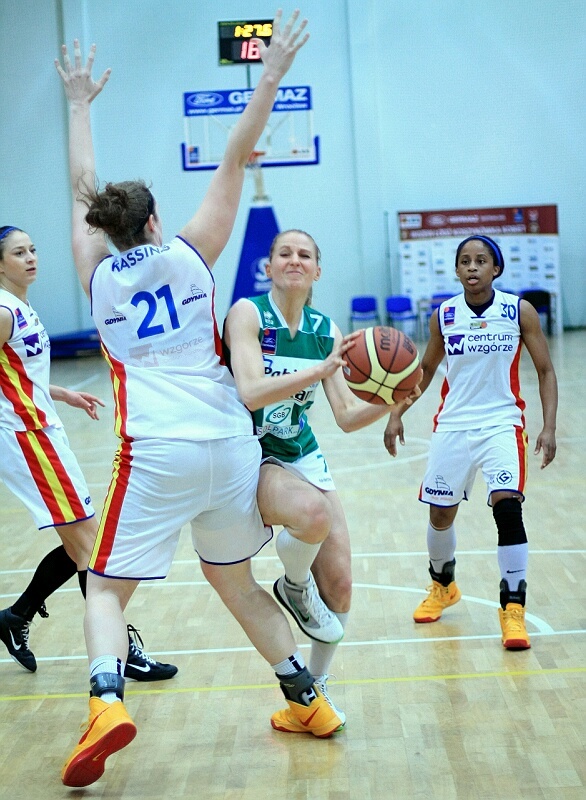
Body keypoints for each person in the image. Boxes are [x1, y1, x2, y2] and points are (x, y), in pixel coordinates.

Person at [55, 13, 344, 789]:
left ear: (107, 230)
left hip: (156, 451)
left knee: (107, 588)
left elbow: (81, 193)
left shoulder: (95, 276)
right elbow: (236, 153)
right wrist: (271, 72)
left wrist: (79, 106)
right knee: (234, 580)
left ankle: (105, 702)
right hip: (229, 449)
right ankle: (307, 698)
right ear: (155, 221)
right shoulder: (192, 253)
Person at [224, 229, 418, 724]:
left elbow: (347, 416)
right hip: (250, 450)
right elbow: (250, 391)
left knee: (341, 584)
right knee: (312, 514)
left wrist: (392, 400)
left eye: (304, 254)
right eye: (284, 253)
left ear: (317, 270)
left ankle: (313, 691)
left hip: (301, 449)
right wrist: (318, 370)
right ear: (268, 266)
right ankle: (293, 585)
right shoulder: (248, 314)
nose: (294, 260)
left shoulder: (326, 330)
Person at [0, 225, 178, 682]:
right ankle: (123, 651)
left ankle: (16, 617)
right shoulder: (1, 311)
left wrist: (60, 393)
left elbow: (18, 373)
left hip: (43, 429)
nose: (31, 257)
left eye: (33, 248)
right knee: (92, 547)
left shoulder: (19, 306)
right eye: (19, 253)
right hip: (27, 437)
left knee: (81, 542)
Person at [384, 235, 558, 649]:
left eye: (481, 260)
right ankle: (443, 585)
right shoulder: (444, 316)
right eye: (465, 261)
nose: (473, 267)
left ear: (496, 269)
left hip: (502, 423)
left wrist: (549, 427)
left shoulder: (518, 311)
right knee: (440, 514)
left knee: (508, 507)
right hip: (454, 425)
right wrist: (396, 413)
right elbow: (426, 370)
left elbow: (545, 371)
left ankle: (512, 609)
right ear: (457, 270)